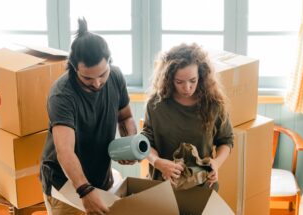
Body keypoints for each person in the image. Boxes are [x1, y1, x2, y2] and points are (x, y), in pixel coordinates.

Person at [40, 18, 137, 215]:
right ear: (74, 67)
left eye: (102, 74)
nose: (97, 83)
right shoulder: (62, 95)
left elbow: (125, 116)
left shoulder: (116, 77)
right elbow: (65, 152)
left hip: (99, 177)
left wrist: (130, 143)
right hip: (64, 184)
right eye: (88, 78)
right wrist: (84, 190)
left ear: (109, 62)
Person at [141, 43, 234, 190]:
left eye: (193, 80)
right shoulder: (156, 105)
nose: (187, 88)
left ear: (201, 76)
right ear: (169, 78)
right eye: (179, 82)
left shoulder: (213, 104)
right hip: (163, 187)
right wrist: (157, 162)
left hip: (202, 187)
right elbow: (145, 142)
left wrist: (216, 163)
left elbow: (226, 140)